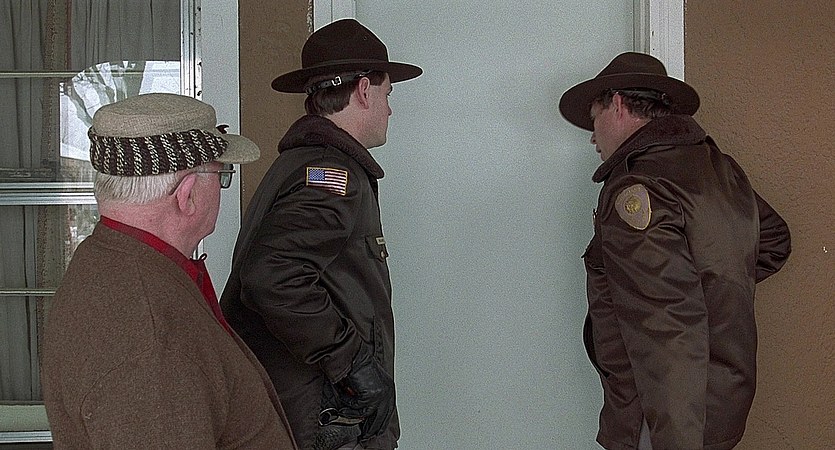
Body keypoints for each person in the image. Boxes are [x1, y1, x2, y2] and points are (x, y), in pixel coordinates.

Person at [558, 52, 791, 450]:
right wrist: (710, 286)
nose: (592, 137)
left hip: (664, 420)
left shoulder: (638, 188)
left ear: (617, 104)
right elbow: (773, 240)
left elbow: (666, 329)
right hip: (721, 403)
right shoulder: (718, 169)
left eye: (594, 119)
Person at [41, 93, 298, 449]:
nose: (221, 186)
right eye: (221, 174)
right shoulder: (151, 340)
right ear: (187, 194)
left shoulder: (109, 263)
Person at [219, 19, 421, 450]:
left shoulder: (303, 164)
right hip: (325, 420)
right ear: (364, 90)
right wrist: (353, 364)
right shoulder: (331, 174)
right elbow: (271, 275)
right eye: (388, 95)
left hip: (314, 413)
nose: (390, 110)